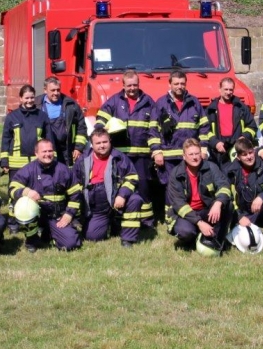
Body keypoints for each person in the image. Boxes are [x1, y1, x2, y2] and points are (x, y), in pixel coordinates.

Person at [94, 70, 155, 226]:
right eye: (129, 85)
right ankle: (118, 218)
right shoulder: (114, 101)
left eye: (135, 85)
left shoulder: (148, 102)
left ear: (139, 84)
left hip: (141, 155)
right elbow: (101, 118)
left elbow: (154, 128)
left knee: (143, 187)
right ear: (123, 85)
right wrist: (102, 129)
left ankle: (146, 221)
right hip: (120, 156)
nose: (132, 88)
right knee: (120, 186)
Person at [72, 128, 143, 247]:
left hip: (116, 198)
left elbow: (132, 177)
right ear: (92, 144)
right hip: (96, 205)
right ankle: (111, 224)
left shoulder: (119, 157)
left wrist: (122, 194)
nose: (102, 146)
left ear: (110, 141)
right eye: (98, 143)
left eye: (105, 142)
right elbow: (74, 181)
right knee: (92, 237)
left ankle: (128, 239)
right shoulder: (82, 160)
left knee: (135, 199)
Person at [9, 139, 82, 252]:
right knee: (24, 204)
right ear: (36, 153)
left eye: (50, 151)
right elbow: (12, 188)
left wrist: (69, 214)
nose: (47, 154)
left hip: (56, 215)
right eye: (44, 151)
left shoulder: (63, 170)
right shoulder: (28, 169)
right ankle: (31, 239)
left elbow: (76, 193)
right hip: (36, 215)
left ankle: (49, 234)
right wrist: (26, 192)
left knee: (71, 244)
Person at [165, 139, 231, 252]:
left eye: (197, 153)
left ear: (201, 154)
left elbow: (224, 185)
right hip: (186, 214)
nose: (194, 157)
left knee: (227, 205)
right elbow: (178, 204)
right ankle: (193, 239)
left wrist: (218, 203)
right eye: (191, 154)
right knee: (185, 232)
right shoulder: (175, 174)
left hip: (206, 210)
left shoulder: (211, 167)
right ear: (184, 156)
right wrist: (199, 223)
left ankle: (218, 240)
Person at [1, 84, 50, 232]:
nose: (29, 100)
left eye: (31, 98)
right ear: (20, 98)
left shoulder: (42, 116)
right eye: (26, 98)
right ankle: (13, 221)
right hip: (16, 163)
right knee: (15, 192)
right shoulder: (12, 116)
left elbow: (48, 139)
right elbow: (5, 140)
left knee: (37, 191)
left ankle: (36, 219)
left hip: (37, 163)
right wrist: (5, 161)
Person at [150, 71, 210, 193]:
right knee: (171, 190)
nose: (179, 86)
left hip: (190, 156)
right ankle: (170, 213)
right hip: (168, 157)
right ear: (170, 84)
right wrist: (156, 152)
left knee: (191, 188)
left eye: (182, 83)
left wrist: (203, 149)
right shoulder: (161, 103)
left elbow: (204, 127)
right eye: (176, 83)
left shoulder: (194, 102)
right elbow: (153, 129)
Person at [205, 77, 257, 169]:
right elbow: (205, 130)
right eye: (226, 89)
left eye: (231, 90)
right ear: (219, 89)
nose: (228, 92)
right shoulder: (211, 109)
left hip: (237, 149)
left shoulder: (241, 107)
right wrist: (215, 143)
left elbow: (252, 126)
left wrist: (244, 137)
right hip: (218, 151)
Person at [37, 77, 86, 167]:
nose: (56, 93)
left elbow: (81, 126)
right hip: (46, 149)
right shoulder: (36, 105)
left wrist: (78, 148)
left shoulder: (71, 104)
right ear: (45, 90)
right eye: (53, 90)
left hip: (66, 149)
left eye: (58, 90)